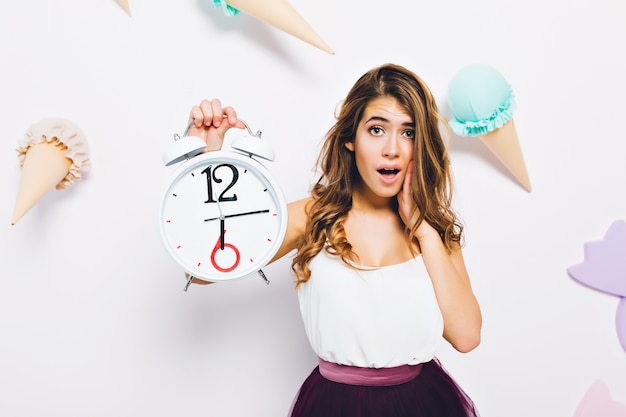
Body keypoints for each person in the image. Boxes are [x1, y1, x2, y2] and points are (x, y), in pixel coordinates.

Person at [186, 63, 482, 416]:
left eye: (408, 133)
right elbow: (205, 271)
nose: (392, 149)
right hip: (335, 405)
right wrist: (208, 164)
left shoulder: (433, 230)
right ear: (350, 139)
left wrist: (424, 232)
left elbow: (466, 336)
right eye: (376, 129)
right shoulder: (313, 216)